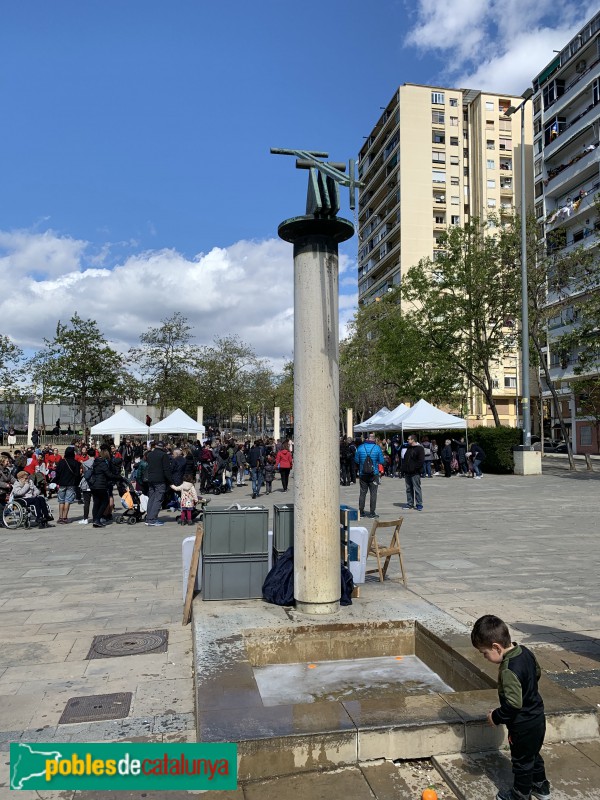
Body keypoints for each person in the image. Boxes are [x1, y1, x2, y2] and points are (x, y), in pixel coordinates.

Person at [471, 615, 550, 800]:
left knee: (521, 762)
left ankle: (521, 794)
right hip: (538, 716)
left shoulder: (508, 670)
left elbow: (514, 704)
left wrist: (496, 716)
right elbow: (537, 673)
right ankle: (541, 787)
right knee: (532, 755)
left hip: (522, 725)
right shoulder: (525, 652)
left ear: (496, 647)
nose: (485, 657)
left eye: (484, 653)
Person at [89, 445, 123, 529]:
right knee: (105, 501)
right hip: (101, 485)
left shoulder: (96, 462)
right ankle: (98, 519)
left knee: (96, 502)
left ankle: (95, 519)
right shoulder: (103, 463)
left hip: (94, 485)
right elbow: (109, 474)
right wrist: (118, 477)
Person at [354, 433, 385, 518]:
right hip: (374, 474)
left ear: (366, 439)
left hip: (363, 473)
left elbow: (356, 460)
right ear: (373, 439)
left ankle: (361, 511)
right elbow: (382, 461)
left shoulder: (360, 447)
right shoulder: (377, 448)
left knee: (362, 493)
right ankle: (372, 513)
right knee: (373, 493)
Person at [145, 441, 173, 526]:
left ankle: (148, 518)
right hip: (160, 480)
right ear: (163, 447)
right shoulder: (164, 455)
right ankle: (152, 519)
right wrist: (171, 481)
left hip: (150, 479)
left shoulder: (150, 454)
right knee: (158, 499)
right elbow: (166, 470)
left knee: (151, 498)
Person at [54, 446, 82, 523]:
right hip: (71, 484)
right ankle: (65, 517)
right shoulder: (76, 463)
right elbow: (77, 474)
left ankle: (60, 517)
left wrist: (58, 481)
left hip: (62, 483)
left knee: (61, 501)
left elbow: (57, 473)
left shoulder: (61, 462)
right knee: (67, 501)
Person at [401, 435, 425, 510]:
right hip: (407, 472)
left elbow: (421, 461)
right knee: (408, 489)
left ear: (413, 440)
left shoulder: (420, 448)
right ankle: (410, 503)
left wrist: (414, 468)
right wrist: (403, 470)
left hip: (415, 472)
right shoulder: (408, 448)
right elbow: (405, 460)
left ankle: (419, 504)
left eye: (409, 439)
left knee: (417, 488)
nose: (407, 441)